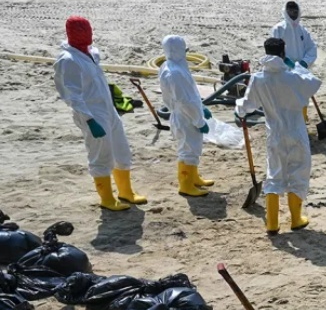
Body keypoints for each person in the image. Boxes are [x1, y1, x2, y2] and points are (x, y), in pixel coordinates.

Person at [53, 16, 147, 211]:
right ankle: (106, 198)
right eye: (81, 31)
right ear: (71, 34)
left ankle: (126, 191)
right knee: (100, 153)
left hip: (107, 108)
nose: (86, 35)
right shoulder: (69, 60)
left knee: (121, 150)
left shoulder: (92, 53)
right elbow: (73, 94)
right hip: (92, 112)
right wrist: (89, 119)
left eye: (87, 30)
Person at [238, 37, 321, 234]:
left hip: (274, 133)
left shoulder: (258, 78)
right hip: (296, 132)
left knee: (274, 174)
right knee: (298, 171)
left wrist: (239, 110)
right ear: (283, 53)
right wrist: (298, 67)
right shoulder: (293, 77)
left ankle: (272, 223)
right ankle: (295, 219)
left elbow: (247, 105)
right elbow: (314, 83)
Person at [158, 34, 215, 197]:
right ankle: (186, 184)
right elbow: (185, 102)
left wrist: (201, 106)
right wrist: (198, 120)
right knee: (188, 150)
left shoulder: (173, 66)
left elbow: (191, 92)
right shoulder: (174, 73)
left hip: (188, 114)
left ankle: (194, 177)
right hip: (185, 117)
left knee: (193, 148)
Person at [270, 1, 317, 122]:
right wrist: (286, 63)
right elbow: (274, 50)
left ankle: (302, 119)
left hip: (301, 69)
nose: (293, 13)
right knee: (287, 97)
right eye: (290, 11)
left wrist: (304, 63)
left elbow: (311, 48)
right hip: (284, 70)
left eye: (295, 11)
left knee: (302, 95)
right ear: (286, 12)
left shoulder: (303, 30)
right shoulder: (278, 29)